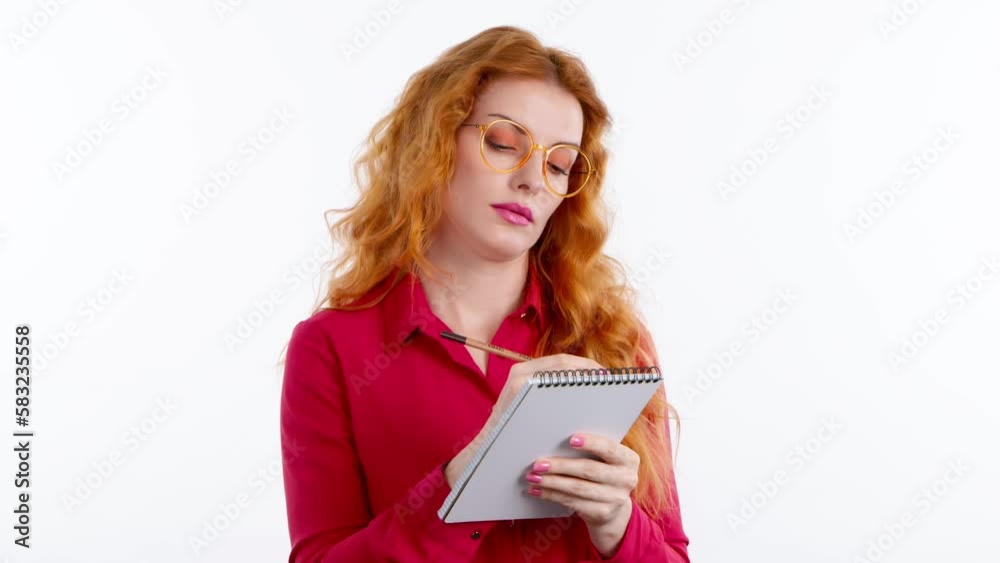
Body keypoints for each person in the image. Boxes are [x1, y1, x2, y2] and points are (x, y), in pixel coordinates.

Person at [279, 25, 690, 562]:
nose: (533, 180)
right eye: (503, 144)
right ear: (434, 144)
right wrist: (466, 478)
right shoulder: (332, 345)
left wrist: (618, 524)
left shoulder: (614, 339)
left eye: (559, 165)